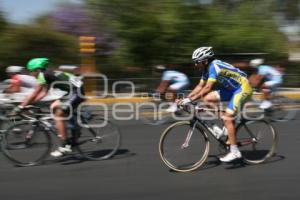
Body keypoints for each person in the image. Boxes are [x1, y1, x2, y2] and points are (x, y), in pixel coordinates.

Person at [177, 47, 253, 162]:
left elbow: (208, 87)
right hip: (231, 90)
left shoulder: (214, 66)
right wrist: (187, 98)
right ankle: (225, 122)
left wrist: (189, 100)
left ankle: (235, 151)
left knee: (228, 118)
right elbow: (200, 86)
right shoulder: (206, 69)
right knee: (207, 99)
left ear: (205, 61)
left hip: (242, 89)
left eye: (197, 62)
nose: (196, 65)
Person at [14, 58, 85, 157]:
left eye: (31, 71)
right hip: (72, 91)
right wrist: (31, 104)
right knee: (53, 107)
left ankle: (65, 146)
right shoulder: (47, 73)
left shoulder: (43, 75)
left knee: (58, 115)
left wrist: (21, 106)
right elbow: (44, 92)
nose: (30, 74)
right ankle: (74, 128)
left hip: (77, 92)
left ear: (38, 70)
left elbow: (35, 93)